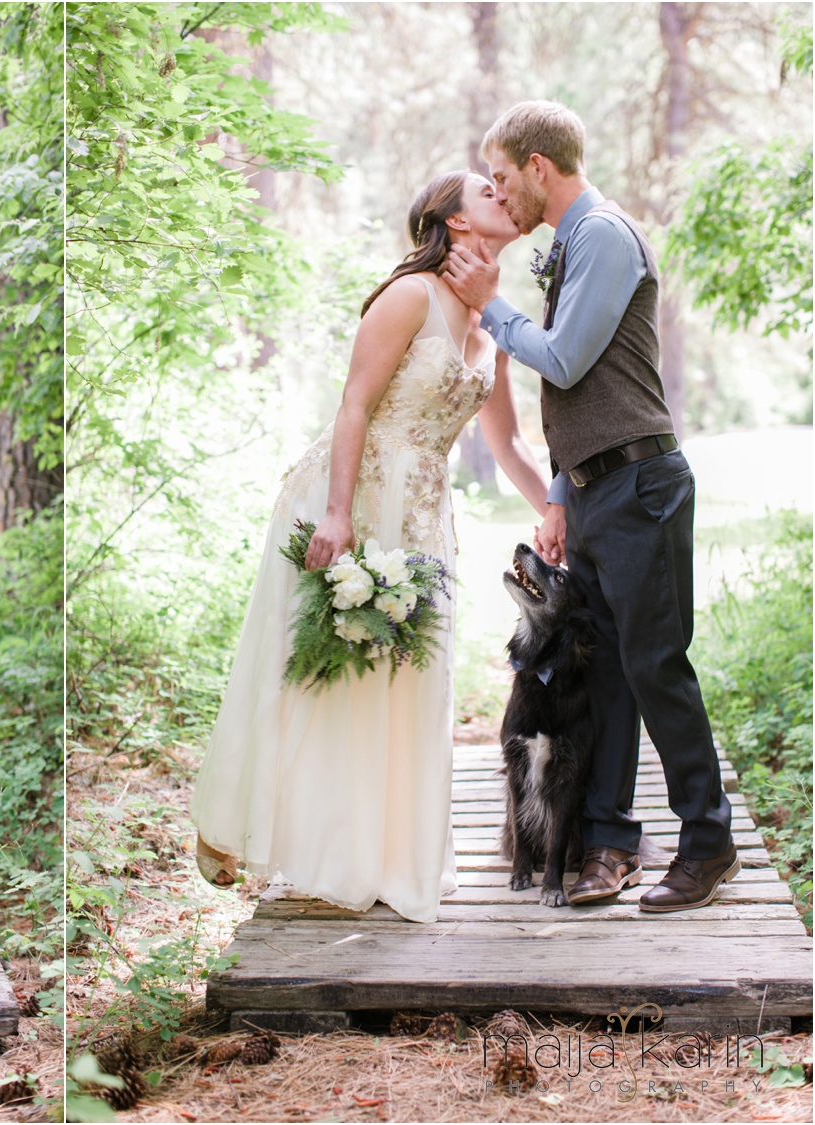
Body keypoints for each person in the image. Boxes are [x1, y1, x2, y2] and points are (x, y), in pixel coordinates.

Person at [189, 171, 553, 924]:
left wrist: (554, 507)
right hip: (354, 495)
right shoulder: (408, 297)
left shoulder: (492, 320)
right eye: (487, 190)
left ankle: (393, 855)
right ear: (454, 222)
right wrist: (335, 514)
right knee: (336, 675)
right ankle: (325, 850)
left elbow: (509, 441)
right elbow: (354, 402)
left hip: (422, 513)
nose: (503, 195)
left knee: (413, 675)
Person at [445, 100, 737, 911]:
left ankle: (708, 843)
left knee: (655, 666)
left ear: (541, 166)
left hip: (642, 486)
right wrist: (564, 492)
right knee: (605, 670)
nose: (500, 197)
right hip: (601, 486)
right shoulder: (572, 244)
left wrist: (491, 305)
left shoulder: (604, 234)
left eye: (504, 178)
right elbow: (582, 394)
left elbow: (567, 362)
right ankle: (608, 844)